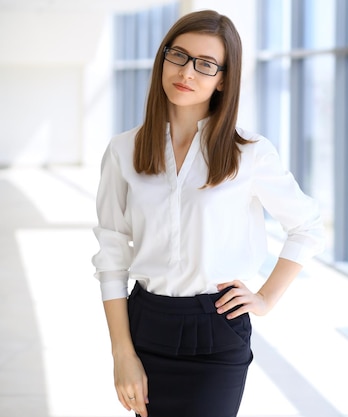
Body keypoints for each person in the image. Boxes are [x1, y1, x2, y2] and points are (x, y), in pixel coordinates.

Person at [91, 9, 324, 417]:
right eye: (178, 55)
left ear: (223, 80)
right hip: (147, 322)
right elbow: (112, 253)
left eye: (206, 64)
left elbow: (306, 226)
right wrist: (121, 353)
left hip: (216, 328)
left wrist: (267, 298)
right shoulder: (123, 151)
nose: (187, 72)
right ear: (163, 58)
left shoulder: (249, 153)